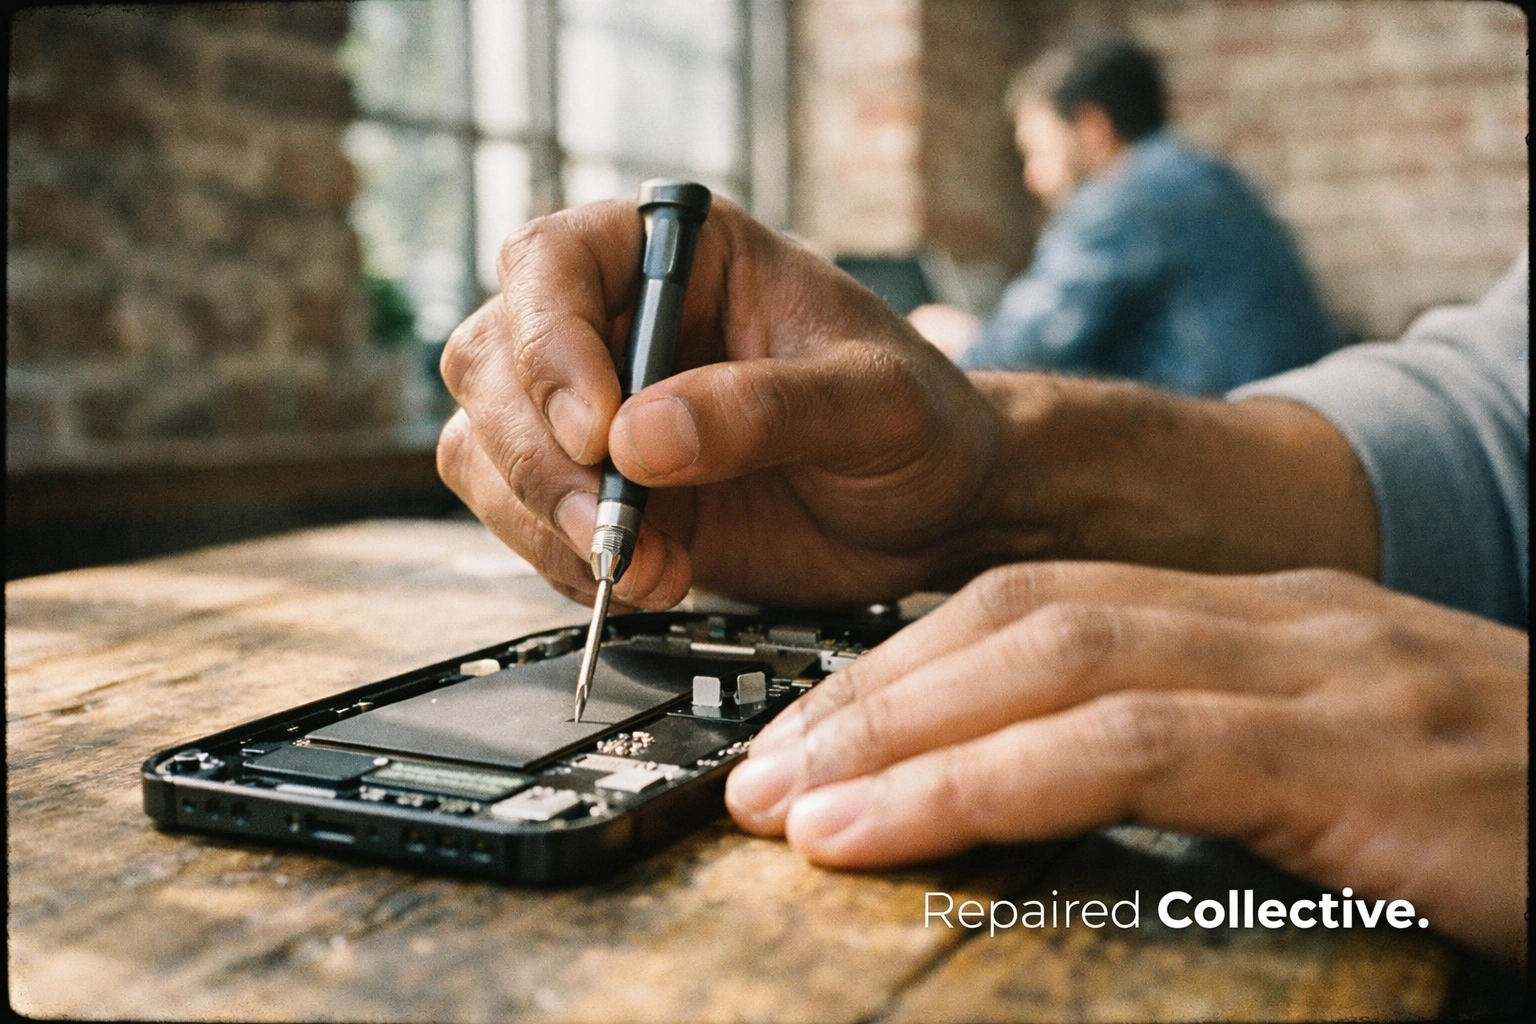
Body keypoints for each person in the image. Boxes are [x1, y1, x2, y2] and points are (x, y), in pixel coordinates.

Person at [436, 195, 1526, 964]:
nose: (1039, 172)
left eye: (1035, 148)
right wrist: (992, 473)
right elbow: (1497, 420)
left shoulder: (1138, 198)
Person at [910, 38, 1344, 394]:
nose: (1032, 179)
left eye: (1038, 152)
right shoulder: (1205, 177)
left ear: (1093, 130)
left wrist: (957, 339)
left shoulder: (1127, 199)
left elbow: (1020, 355)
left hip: (1224, 451)